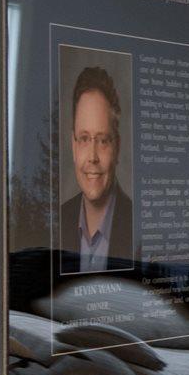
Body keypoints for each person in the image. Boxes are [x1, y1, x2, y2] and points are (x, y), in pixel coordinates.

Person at [58, 64, 136, 270]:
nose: (92, 157)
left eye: (102, 141)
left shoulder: (140, 229)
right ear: (73, 146)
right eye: (84, 139)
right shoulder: (55, 223)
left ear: (117, 147)